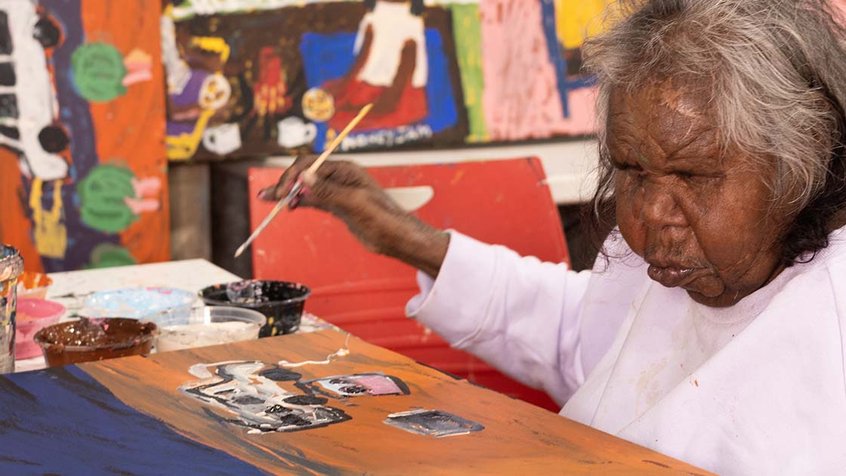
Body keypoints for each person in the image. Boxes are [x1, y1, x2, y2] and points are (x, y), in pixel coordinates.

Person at [260, 0, 846, 472]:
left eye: (693, 176)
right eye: (631, 171)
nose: (649, 217)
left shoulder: (827, 320)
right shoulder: (689, 258)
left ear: (802, 162)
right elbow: (590, 343)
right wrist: (407, 238)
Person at [323, 0, 428, 131]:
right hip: (369, 84)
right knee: (336, 108)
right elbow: (362, 57)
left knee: (344, 118)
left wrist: (388, 101)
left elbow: (408, 66)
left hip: (401, 91)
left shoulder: (411, 22)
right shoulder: (372, 17)